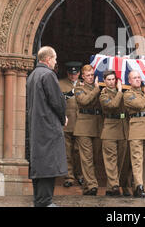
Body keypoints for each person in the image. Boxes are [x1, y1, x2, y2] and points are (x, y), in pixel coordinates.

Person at [25, 46, 68, 207]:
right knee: (48, 163)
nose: (56, 62)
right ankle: (45, 201)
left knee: (39, 163)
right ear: (48, 59)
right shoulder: (48, 75)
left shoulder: (33, 75)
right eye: (55, 58)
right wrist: (62, 117)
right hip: (48, 126)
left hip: (37, 126)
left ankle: (40, 200)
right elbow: (57, 101)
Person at [123, 70, 145, 198]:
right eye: (134, 78)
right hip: (136, 128)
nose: (137, 79)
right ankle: (138, 186)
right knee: (137, 160)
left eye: (139, 77)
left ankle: (143, 187)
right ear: (129, 81)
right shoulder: (128, 94)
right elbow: (140, 104)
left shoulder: (143, 92)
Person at [74, 65, 102, 196]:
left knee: (95, 158)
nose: (91, 77)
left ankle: (86, 186)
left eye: (92, 75)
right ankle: (92, 185)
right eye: (88, 75)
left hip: (97, 126)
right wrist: (96, 89)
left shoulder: (99, 87)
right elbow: (84, 101)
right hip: (84, 127)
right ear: (83, 76)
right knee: (87, 158)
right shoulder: (79, 88)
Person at [99, 70, 128, 197]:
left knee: (120, 160)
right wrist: (120, 91)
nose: (111, 82)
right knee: (111, 159)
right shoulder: (103, 95)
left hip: (122, 128)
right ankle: (115, 185)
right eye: (109, 80)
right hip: (110, 128)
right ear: (104, 81)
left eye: (113, 79)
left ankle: (111, 187)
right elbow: (114, 105)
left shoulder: (122, 92)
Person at [58, 61, 84, 188]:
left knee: (79, 151)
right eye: (71, 74)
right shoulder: (60, 84)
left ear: (79, 73)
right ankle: (69, 177)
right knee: (67, 152)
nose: (73, 76)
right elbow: (57, 101)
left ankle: (80, 175)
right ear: (67, 73)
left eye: (76, 74)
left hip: (82, 124)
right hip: (67, 123)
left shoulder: (83, 84)